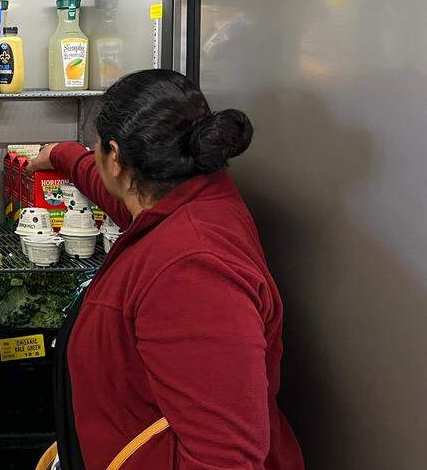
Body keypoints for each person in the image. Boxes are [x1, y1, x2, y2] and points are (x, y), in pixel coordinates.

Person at [28, 69, 304, 470]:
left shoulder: (194, 270)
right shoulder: (192, 202)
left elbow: (225, 457)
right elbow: (121, 197)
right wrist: (62, 154)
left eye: (96, 148)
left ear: (116, 157)